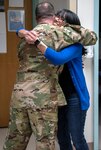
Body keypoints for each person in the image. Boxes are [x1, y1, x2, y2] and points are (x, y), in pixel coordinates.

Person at [3, 2, 97, 150]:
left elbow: (57, 58)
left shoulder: (26, 37)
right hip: (44, 96)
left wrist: (22, 32)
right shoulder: (59, 35)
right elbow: (92, 37)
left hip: (21, 95)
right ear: (53, 17)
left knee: (15, 140)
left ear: (36, 17)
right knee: (46, 141)